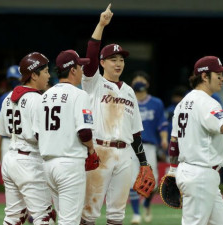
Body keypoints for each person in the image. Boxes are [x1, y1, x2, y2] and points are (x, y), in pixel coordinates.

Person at [80, 4, 152, 225]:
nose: (119, 63)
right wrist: (101, 24)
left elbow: (136, 132)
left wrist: (144, 163)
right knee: (89, 213)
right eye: (113, 59)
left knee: (117, 215)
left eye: (121, 59)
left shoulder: (129, 90)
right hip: (99, 151)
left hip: (124, 154)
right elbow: (90, 56)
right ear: (103, 63)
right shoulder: (94, 83)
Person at [167, 56, 223, 225]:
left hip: (196, 172)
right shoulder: (207, 102)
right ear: (204, 76)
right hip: (201, 173)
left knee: (221, 222)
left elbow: (174, 140)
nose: (222, 78)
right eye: (218, 74)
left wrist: (172, 169)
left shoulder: (182, 103)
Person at [34, 50, 97, 225]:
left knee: (63, 218)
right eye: (80, 67)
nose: (82, 71)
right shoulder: (79, 94)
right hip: (69, 163)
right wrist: (91, 148)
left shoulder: (44, 96)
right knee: (70, 221)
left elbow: (37, 133)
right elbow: (84, 132)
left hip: (48, 164)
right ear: (73, 70)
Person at [0, 52, 55, 225]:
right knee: (44, 217)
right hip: (30, 161)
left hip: (11, 157)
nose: (49, 75)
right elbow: (42, 136)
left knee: (13, 217)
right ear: (34, 75)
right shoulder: (38, 100)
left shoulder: (8, 98)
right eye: (45, 71)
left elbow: (3, 130)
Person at [129, 71, 168, 224]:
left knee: (153, 182)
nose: (139, 82)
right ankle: (136, 214)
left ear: (148, 84)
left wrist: (164, 139)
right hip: (131, 146)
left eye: (141, 80)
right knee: (132, 180)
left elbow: (162, 124)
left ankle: (146, 204)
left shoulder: (156, 103)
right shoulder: (127, 101)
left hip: (150, 146)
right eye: (136, 80)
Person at [0, 65, 22, 162]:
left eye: (15, 78)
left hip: (23, 141)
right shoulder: (3, 98)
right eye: (11, 79)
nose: (14, 81)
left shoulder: (28, 95)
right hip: (7, 140)